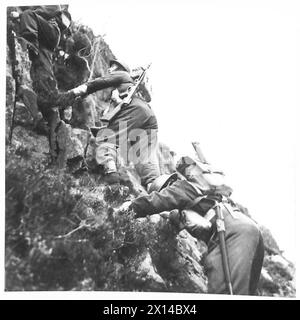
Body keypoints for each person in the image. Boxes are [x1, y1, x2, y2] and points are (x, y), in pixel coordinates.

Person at [127, 157, 265, 295]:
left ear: (168, 185)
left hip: (231, 233)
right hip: (248, 230)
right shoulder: (201, 196)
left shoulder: (183, 187)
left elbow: (155, 202)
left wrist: (128, 209)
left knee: (223, 292)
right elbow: (175, 220)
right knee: (245, 293)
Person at [71, 59, 161, 187]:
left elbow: (98, 83)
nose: (109, 70)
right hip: (149, 118)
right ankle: (157, 188)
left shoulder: (123, 75)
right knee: (145, 161)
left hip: (134, 109)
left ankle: (111, 176)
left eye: (112, 67)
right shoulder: (133, 87)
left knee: (107, 137)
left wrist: (74, 92)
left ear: (120, 69)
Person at [16, 5, 77, 161]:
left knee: (28, 14)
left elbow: (34, 14)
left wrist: (20, 16)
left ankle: (30, 40)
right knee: (48, 103)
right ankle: (49, 134)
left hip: (51, 36)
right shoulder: (57, 18)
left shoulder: (56, 11)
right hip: (47, 49)